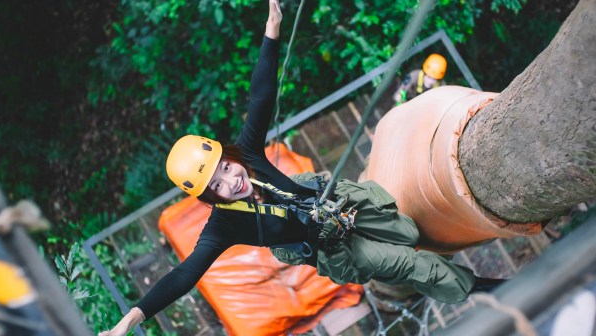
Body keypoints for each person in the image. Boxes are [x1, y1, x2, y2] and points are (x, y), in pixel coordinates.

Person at [99, 2, 501, 335]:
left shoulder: (249, 154)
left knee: (409, 231)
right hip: (329, 246)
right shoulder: (224, 228)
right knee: (412, 263)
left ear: (229, 154)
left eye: (224, 166)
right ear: (208, 197)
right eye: (216, 184)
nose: (230, 179)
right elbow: (182, 276)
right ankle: (488, 289)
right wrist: (128, 321)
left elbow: (260, 95)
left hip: (335, 203)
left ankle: (430, 254)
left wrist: (272, 28)